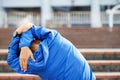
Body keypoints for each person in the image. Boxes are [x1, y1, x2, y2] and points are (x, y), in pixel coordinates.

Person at [7, 23, 96, 80]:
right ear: (37, 39)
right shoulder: (53, 37)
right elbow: (29, 27)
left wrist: (21, 44)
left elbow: (11, 60)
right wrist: (23, 44)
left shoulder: (34, 65)